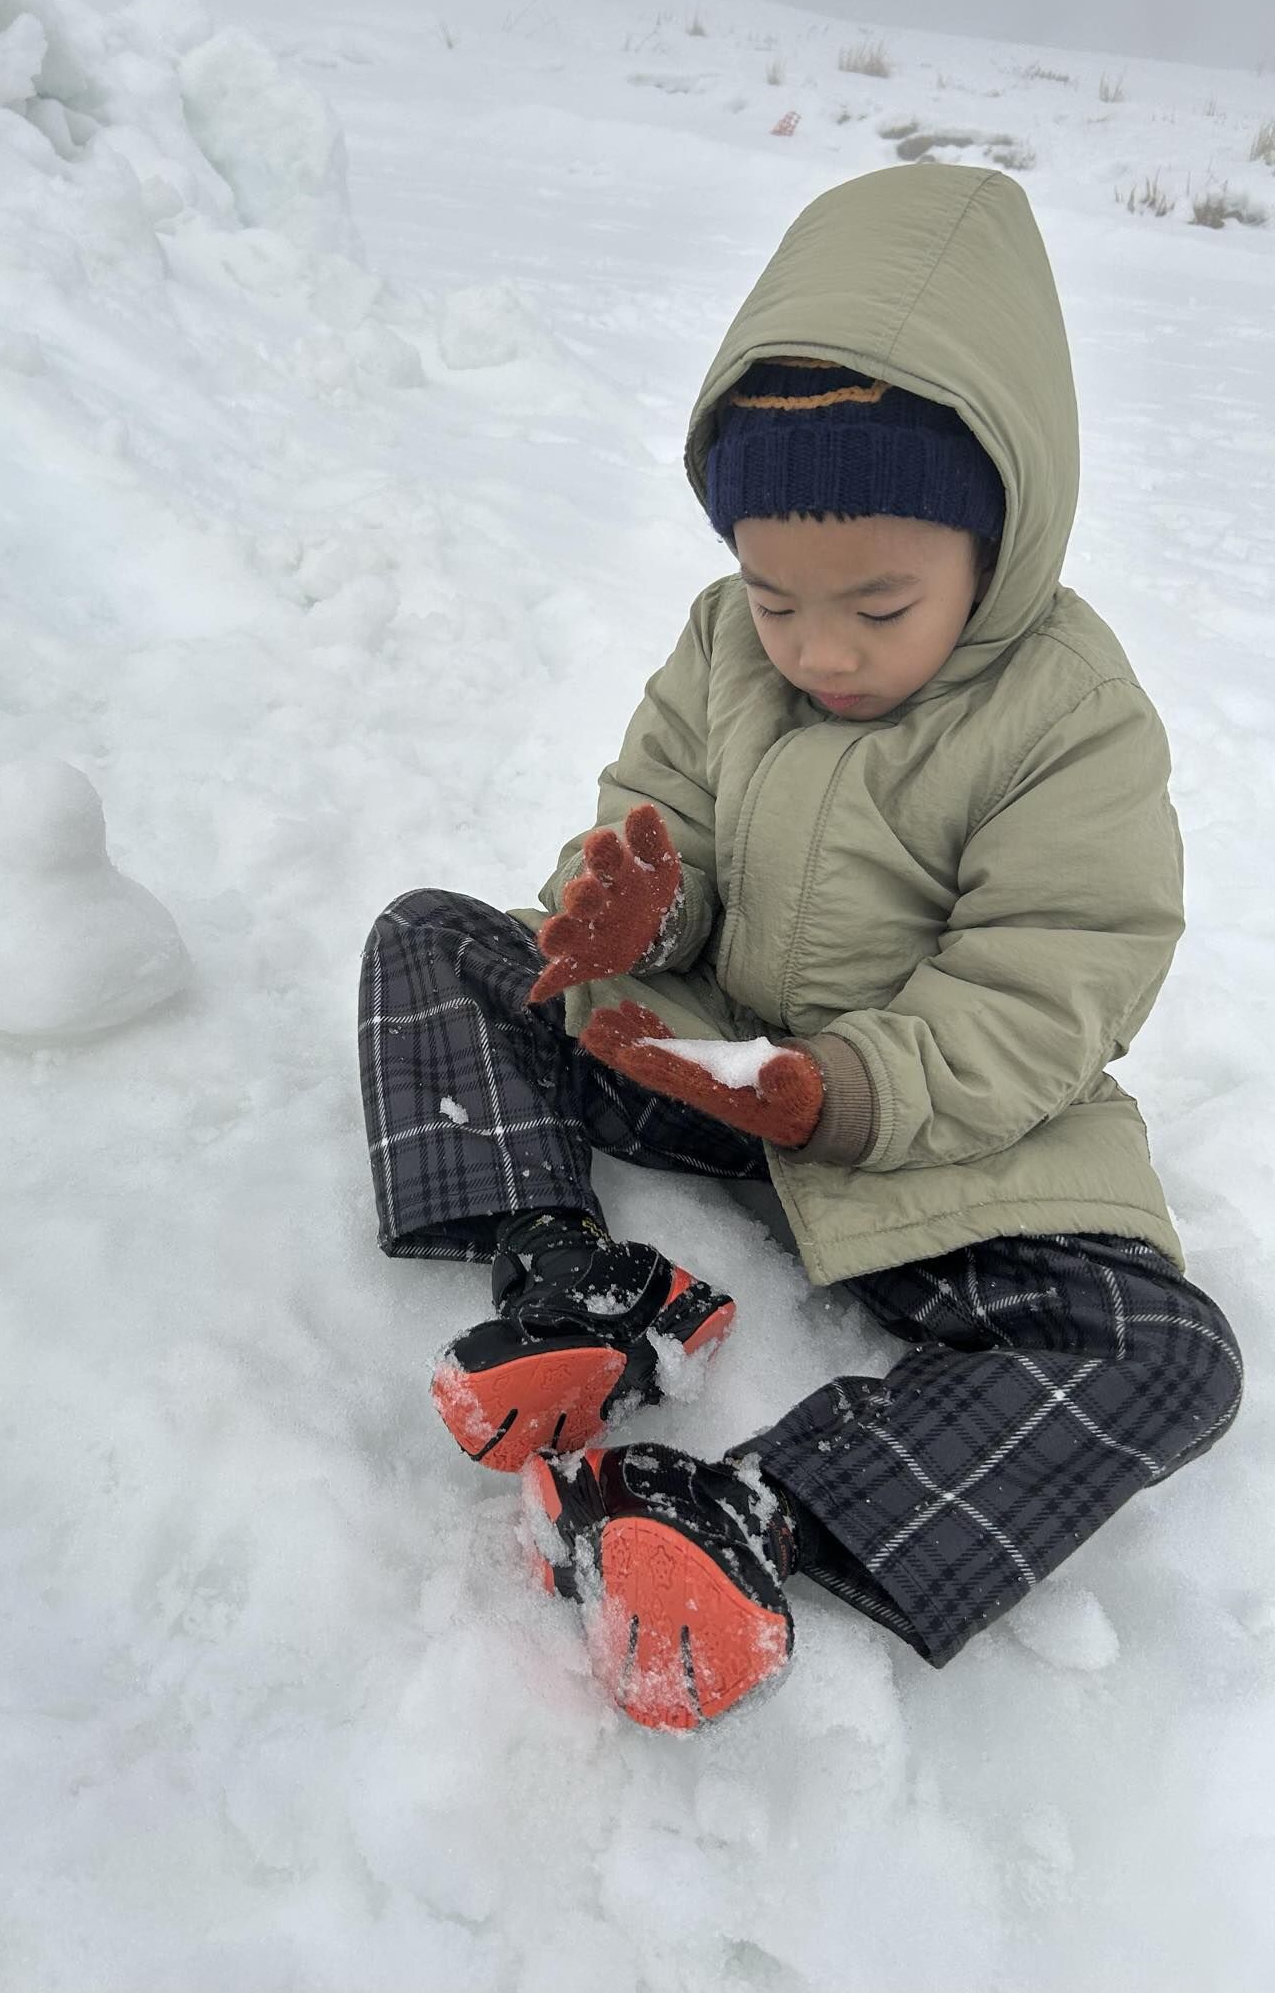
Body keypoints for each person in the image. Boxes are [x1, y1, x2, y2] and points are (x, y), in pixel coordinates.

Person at [357, 164, 1242, 1733]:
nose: (817, 648)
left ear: (998, 542)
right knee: (432, 935)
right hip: (696, 1056)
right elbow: (653, 824)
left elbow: (1054, 976)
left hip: (931, 1143)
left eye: (879, 606)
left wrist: (841, 1091)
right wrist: (626, 908)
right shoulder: (723, 646)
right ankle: (575, 1280)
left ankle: (757, 1515)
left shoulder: (1071, 718)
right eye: (777, 599)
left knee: (1164, 1350)